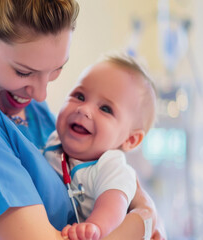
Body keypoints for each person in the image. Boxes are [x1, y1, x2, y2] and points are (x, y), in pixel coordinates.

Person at [0, 1, 165, 239]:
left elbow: (104, 167)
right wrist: (144, 220)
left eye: (55, 71)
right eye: (23, 71)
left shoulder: (22, 102)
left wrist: (142, 205)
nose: (41, 94)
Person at [43, 54, 157, 240]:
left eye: (105, 109)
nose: (84, 109)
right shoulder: (55, 140)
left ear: (130, 140)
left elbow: (113, 205)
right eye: (79, 96)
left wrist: (95, 226)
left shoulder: (112, 167)